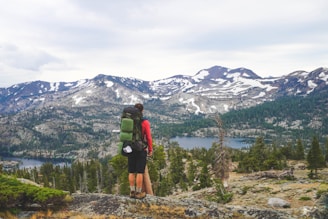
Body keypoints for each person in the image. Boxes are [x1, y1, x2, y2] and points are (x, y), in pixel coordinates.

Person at [128, 103, 153, 199]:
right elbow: (149, 137)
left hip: (130, 148)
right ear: (142, 111)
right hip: (141, 148)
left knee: (131, 171)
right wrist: (150, 149)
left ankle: (132, 191)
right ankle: (138, 193)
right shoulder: (145, 122)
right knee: (139, 172)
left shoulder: (129, 121)